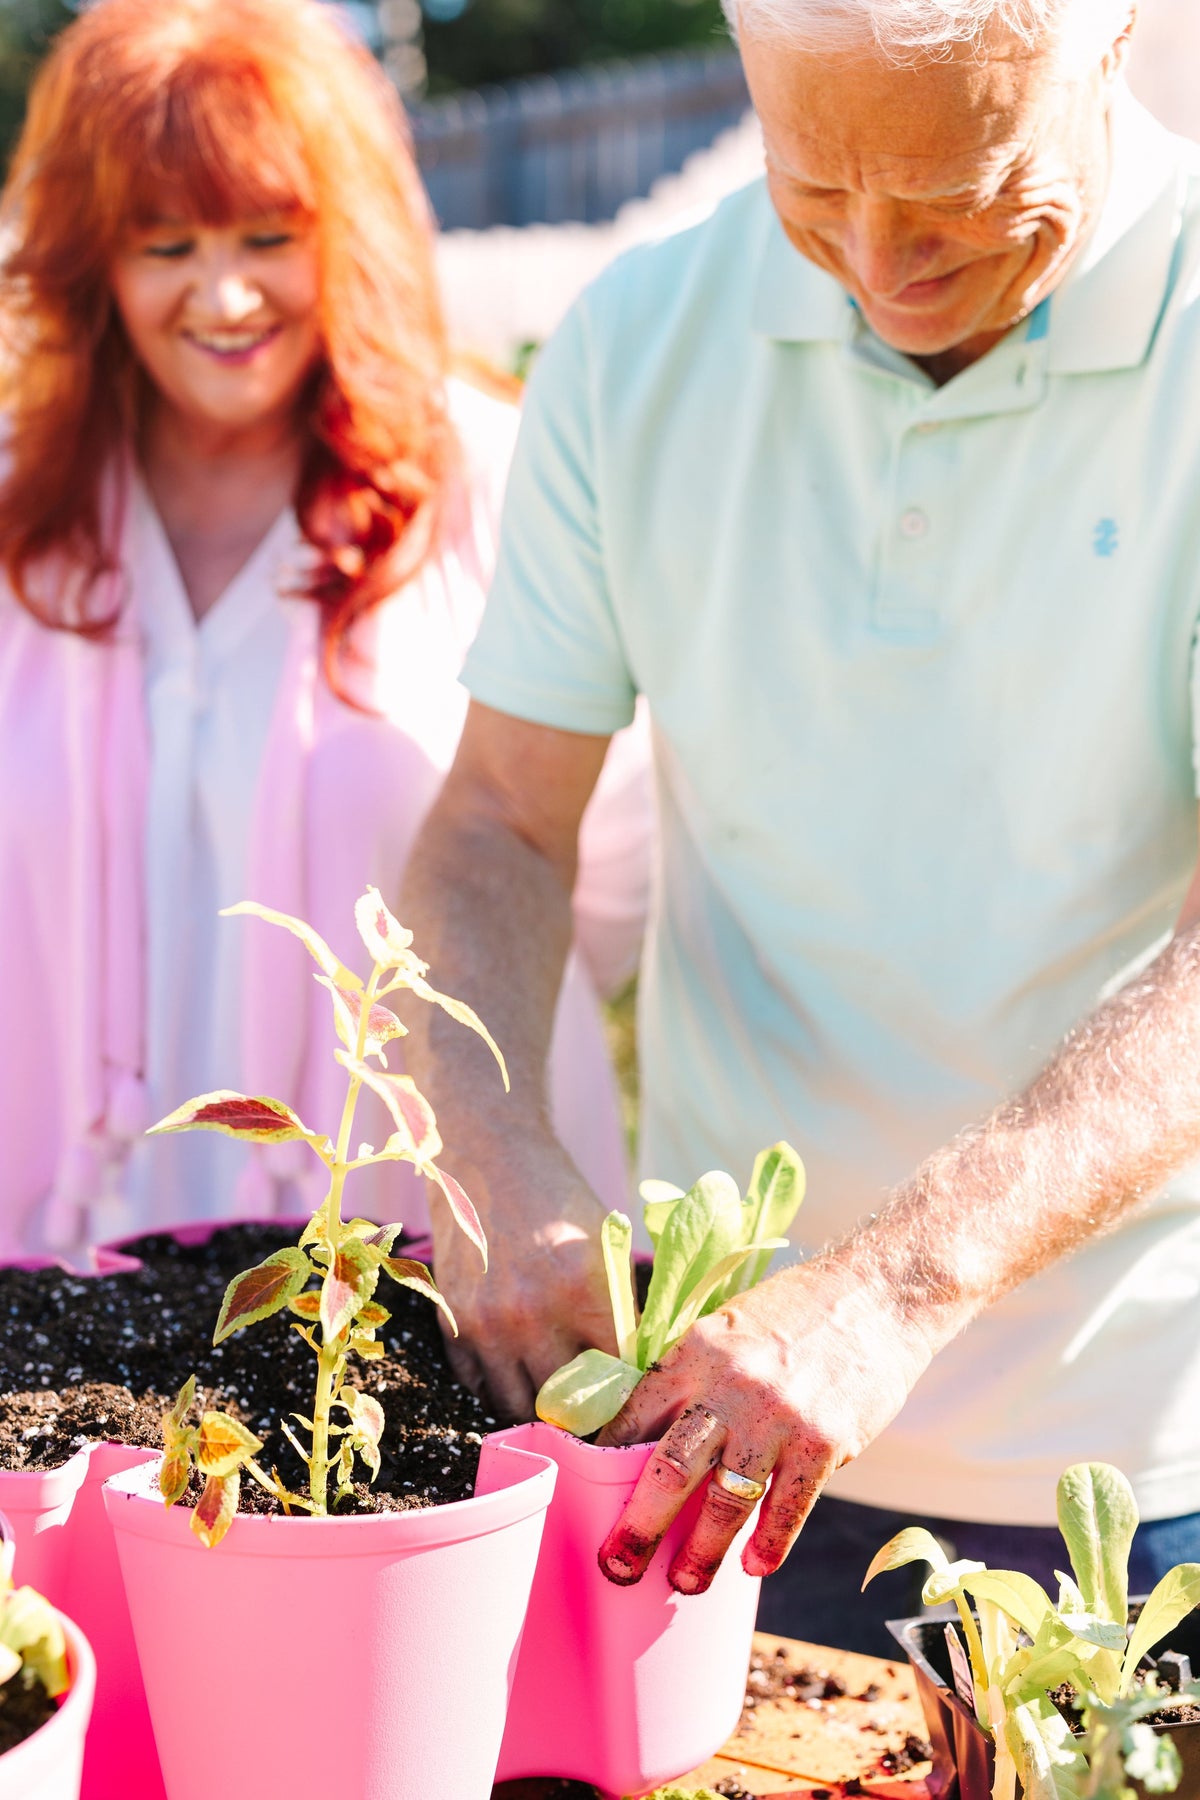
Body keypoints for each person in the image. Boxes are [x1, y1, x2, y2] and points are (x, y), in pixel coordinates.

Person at [399, 0, 1200, 1654]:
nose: (881, 264)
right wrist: (493, 1151)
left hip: (1137, 1474)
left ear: (1115, 36)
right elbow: (496, 824)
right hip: (723, 1444)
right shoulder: (637, 343)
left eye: (962, 190)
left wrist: (890, 1291)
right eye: (815, 183)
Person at [0, 0, 648, 1262]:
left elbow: (606, 872)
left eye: (268, 234)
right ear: (92, 261)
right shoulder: (20, 506)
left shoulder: (491, 482)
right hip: (61, 1256)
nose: (225, 292)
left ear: (346, 234)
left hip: (420, 1251)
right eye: (165, 243)